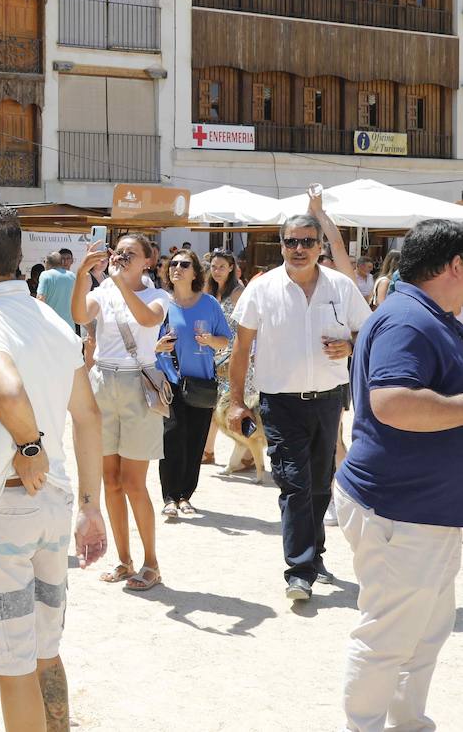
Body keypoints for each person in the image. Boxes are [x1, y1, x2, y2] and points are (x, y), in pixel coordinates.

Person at [0, 202, 107, 731]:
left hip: (1, 505)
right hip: (53, 507)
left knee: (10, 667)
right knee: (41, 653)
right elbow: (87, 417)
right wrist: (91, 505)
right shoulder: (53, 323)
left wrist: (29, 444)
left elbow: (7, 386)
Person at [334, 219, 463, 732]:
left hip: (424, 511)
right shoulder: (410, 320)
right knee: (388, 638)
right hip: (402, 511)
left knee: (426, 632)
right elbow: (391, 403)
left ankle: (407, 724)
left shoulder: (427, 314)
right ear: (455, 265)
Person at [227, 213, 371, 601]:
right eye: (292, 242)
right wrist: (237, 401)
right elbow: (241, 348)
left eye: (308, 242)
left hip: (328, 401)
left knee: (320, 480)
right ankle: (299, 569)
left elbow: (368, 331)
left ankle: (315, 555)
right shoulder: (262, 289)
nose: (299, 249)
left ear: (320, 246)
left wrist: (352, 346)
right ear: (282, 245)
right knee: (294, 482)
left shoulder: (341, 287)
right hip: (280, 403)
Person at [72, 233, 168, 592]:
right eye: (119, 251)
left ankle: (151, 562)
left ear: (148, 260)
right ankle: (125, 560)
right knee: (110, 481)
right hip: (103, 383)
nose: (122, 257)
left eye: (131, 253)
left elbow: (146, 320)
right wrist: (83, 274)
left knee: (134, 482)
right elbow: (79, 313)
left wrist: (116, 282)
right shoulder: (104, 291)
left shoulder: (158, 296)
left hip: (137, 385)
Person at [155, 250, 230, 518]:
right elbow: (147, 344)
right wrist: (158, 346)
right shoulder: (161, 304)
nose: (177, 268)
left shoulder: (209, 304)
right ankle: (169, 497)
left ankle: (186, 495)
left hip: (201, 382)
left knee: (195, 441)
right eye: (173, 264)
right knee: (171, 438)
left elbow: (226, 339)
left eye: (184, 264)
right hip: (170, 382)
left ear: (196, 272)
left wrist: (210, 340)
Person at [204, 247, 250, 468]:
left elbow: (250, 325)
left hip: (237, 355)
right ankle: (208, 450)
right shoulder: (210, 291)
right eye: (214, 266)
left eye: (222, 266)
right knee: (214, 404)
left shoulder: (239, 292)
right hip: (214, 355)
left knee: (237, 404)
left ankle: (247, 454)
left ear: (232, 268)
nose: (217, 271)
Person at [35, 252, 77, 333]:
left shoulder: (45, 275)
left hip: (51, 326)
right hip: (69, 326)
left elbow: (40, 299)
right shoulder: (72, 276)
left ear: (47, 262)